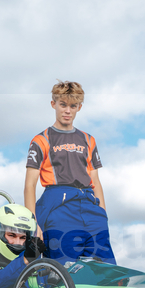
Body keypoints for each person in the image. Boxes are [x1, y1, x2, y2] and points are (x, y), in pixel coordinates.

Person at [24, 80, 115, 265]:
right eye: (63, 104)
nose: (67, 110)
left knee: (104, 268)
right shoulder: (41, 140)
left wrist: (103, 215)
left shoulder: (88, 140)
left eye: (73, 106)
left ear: (79, 107)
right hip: (58, 207)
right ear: (53, 104)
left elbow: (95, 180)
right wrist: (32, 223)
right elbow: (29, 185)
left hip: (90, 207)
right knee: (63, 270)